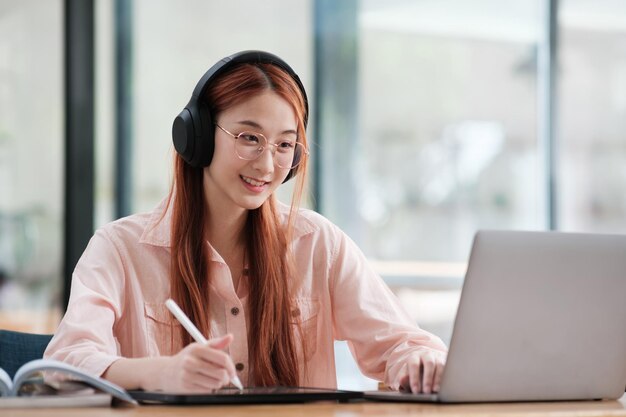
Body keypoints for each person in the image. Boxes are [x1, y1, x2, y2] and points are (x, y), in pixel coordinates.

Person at [44, 50, 447, 394]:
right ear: (196, 136)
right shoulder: (120, 249)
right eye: (249, 138)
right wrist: (162, 372)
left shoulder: (318, 244)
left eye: (285, 145)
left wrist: (421, 360)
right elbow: (64, 365)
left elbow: (402, 345)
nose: (268, 165)